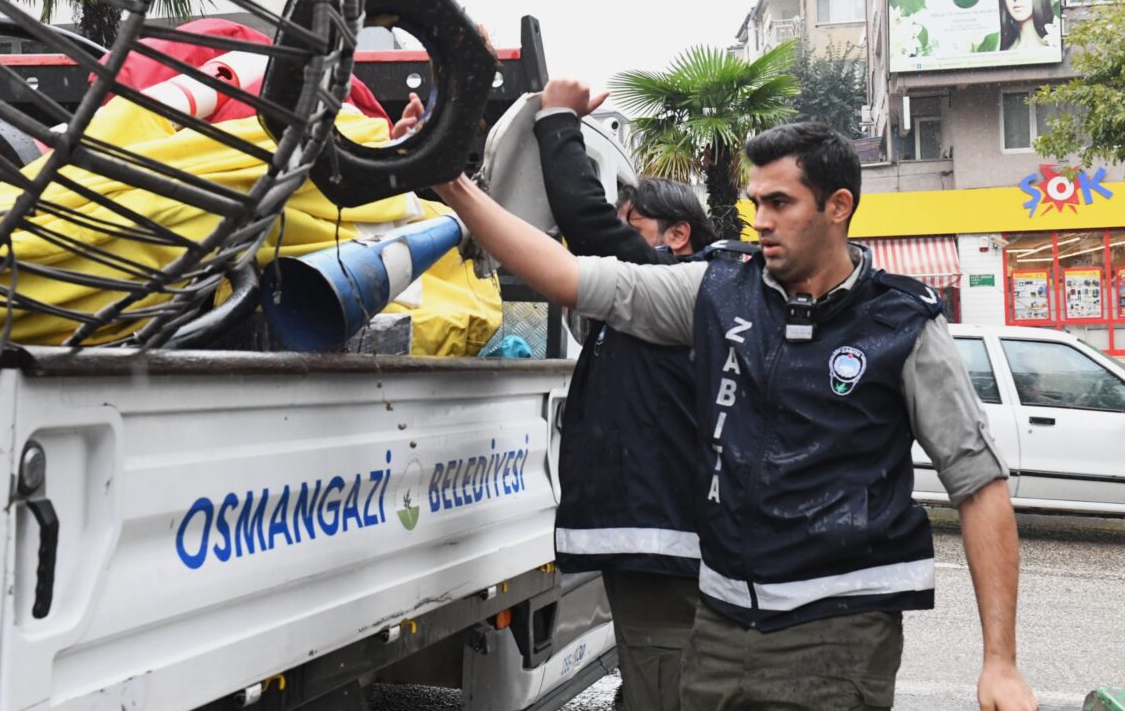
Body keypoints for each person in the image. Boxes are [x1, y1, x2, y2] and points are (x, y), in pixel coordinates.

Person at [433, 84, 1037, 711]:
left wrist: (1000, 661)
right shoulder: (717, 289)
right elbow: (571, 276)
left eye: (781, 202)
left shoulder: (903, 324)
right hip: (721, 626)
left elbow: (979, 485)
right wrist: (454, 185)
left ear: (838, 206)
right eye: (756, 203)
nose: (762, 221)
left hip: (839, 631)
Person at [533, 82, 715, 711]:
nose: (618, 235)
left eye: (631, 225)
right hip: (649, 536)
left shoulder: (665, 283)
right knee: (652, 670)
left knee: (663, 675)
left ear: (676, 237)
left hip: (659, 540)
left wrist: (557, 119)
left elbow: (584, 222)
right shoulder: (669, 299)